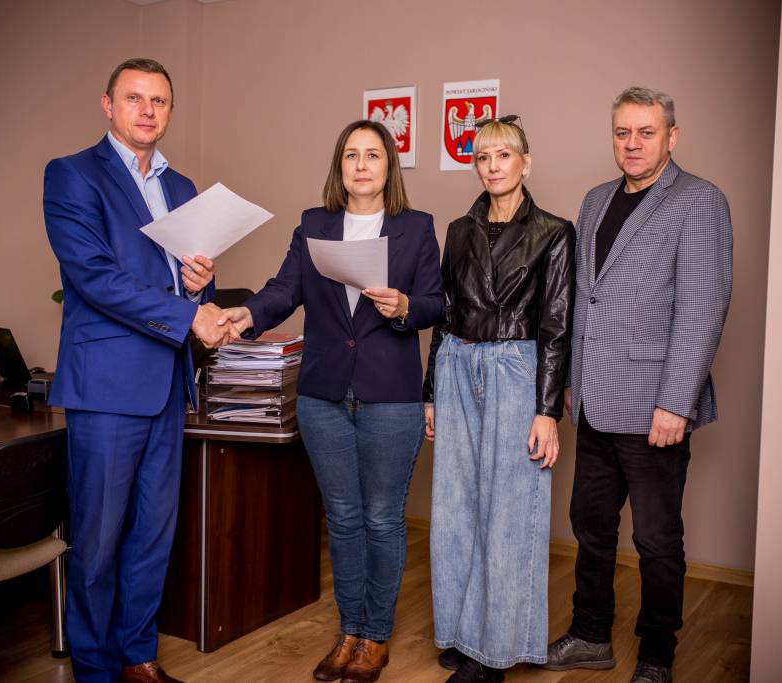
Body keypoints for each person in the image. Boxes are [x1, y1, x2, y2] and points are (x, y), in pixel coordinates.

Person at [217, 120, 443, 683]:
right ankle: (349, 632)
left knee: (382, 519)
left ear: (389, 166)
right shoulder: (313, 224)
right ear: (339, 166)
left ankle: (376, 638)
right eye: (351, 155)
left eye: (373, 155)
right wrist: (247, 313)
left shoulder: (416, 227)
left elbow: (437, 303)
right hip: (323, 395)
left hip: (390, 396)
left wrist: (404, 307)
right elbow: (284, 289)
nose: (361, 165)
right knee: (342, 519)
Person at [43, 58, 228, 683]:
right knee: (97, 543)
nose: (148, 111)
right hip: (106, 387)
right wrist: (190, 313)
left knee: (153, 534)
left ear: (169, 111)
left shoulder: (183, 187)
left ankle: (138, 658)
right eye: (134, 98)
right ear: (108, 105)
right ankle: (95, 670)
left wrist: (200, 284)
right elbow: (95, 277)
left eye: (159, 101)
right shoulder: (72, 175)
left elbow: (187, 284)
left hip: (167, 384)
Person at [542, 87, 733, 683]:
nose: (633, 144)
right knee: (591, 528)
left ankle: (656, 657)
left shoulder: (699, 200)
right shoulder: (596, 200)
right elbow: (583, 299)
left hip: (655, 409)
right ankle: (590, 634)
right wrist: (570, 380)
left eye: (646, 132)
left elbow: (702, 308)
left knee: (656, 541)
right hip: (594, 401)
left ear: (671, 136)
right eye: (623, 132)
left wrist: (676, 402)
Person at [423, 116, 575, 683]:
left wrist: (547, 412)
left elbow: (557, 326)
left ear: (525, 163)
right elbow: (444, 314)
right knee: (455, 508)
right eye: (483, 157)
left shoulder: (554, 233)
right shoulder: (459, 230)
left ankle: (495, 649)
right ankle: (462, 633)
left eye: (504, 155)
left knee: (510, 511)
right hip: (458, 365)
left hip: (515, 370)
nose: (493, 166)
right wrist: (431, 392)